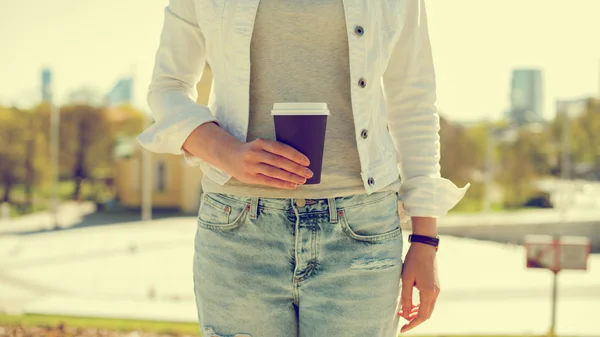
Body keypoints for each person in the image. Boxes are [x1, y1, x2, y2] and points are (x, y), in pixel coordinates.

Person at [137, 0, 469, 336]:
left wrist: (426, 240)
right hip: (238, 233)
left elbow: (414, 99)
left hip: (361, 233)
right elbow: (167, 87)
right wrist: (228, 153)